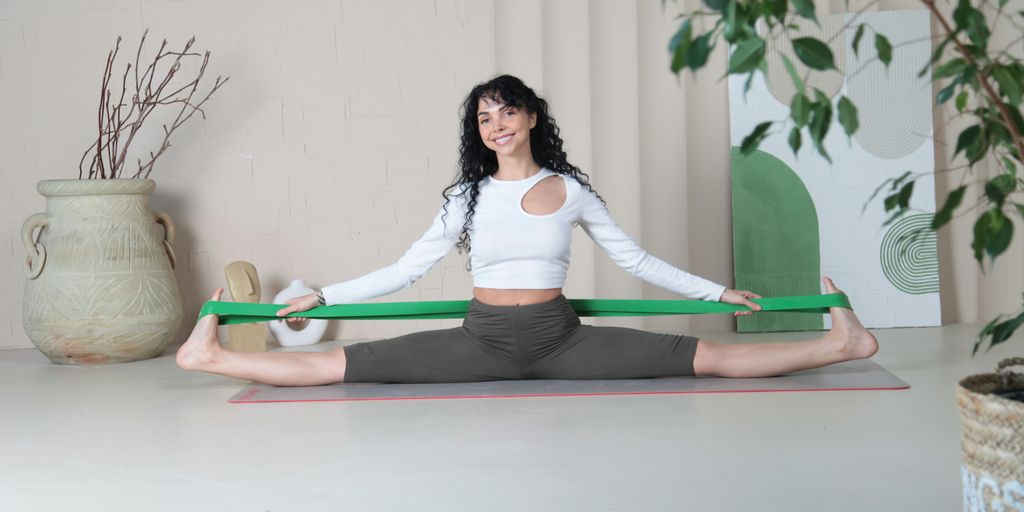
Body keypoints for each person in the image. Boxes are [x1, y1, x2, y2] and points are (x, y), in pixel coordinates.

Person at [176, 75, 878, 386]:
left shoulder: (570, 191)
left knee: (707, 359)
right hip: (479, 340)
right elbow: (406, 269)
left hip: (560, 339)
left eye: (507, 111)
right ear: (479, 132)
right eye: (485, 117)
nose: (497, 124)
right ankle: (209, 358)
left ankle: (842, 343)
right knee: (340, 367)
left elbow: (634, 256)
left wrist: (716, 291)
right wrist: (323, 298)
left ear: (532, 116)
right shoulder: (467, 197)